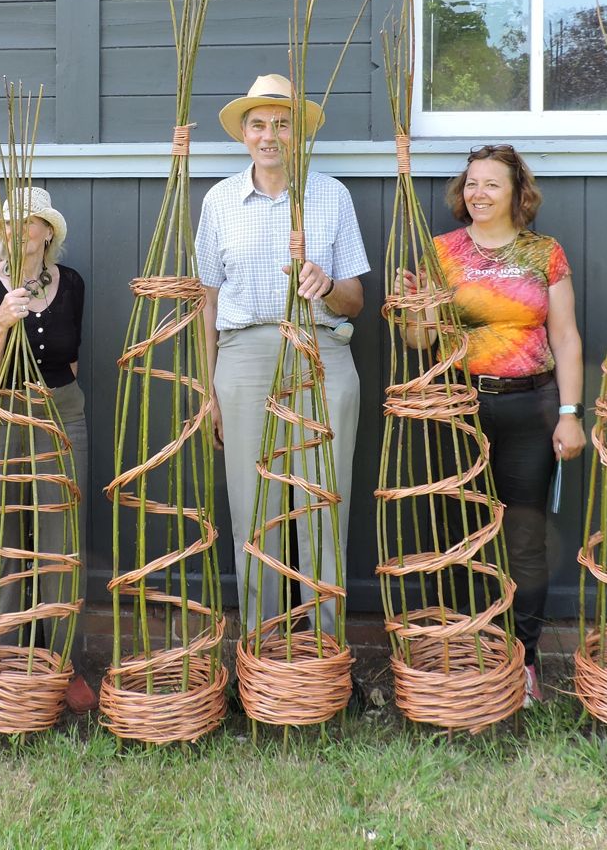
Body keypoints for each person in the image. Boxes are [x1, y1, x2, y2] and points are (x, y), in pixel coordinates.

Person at [407, 143, 585, 706]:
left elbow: (566, 338)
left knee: (525, 540)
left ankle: (523, 659)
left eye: (492, 184)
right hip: (459, 407)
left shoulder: (544, 253)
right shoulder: (442, 253)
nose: (479, 193)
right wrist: (418, 309)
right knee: (460, 535)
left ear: (517, 193)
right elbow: (421, 343)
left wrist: (571, 414)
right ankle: (465, 652)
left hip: (530, 408)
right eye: (472, 184)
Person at [196, 73, 368, 636]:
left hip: (322, 349)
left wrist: (324, 282)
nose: (271, 135)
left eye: (283, 124)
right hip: (244, 357)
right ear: (245, 134)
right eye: (259, 124)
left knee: (324, 500)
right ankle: (261, 649)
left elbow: (356, 300)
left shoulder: (332, 195)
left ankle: (322, 649)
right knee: (253, 505)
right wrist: (208, 388)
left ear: (298, 134)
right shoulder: (220, 200)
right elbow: (208, 300)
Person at [0, 185, 94, 713]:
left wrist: (58, 409)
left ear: (47, 232)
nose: (19, 233)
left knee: (61, 537)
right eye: (10, 225)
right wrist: (0, 323)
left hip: (61, 409)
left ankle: (61, 664)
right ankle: (1, 664)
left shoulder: (72, 284)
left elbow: (73, 362)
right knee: (1, 536)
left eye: (30, 223)